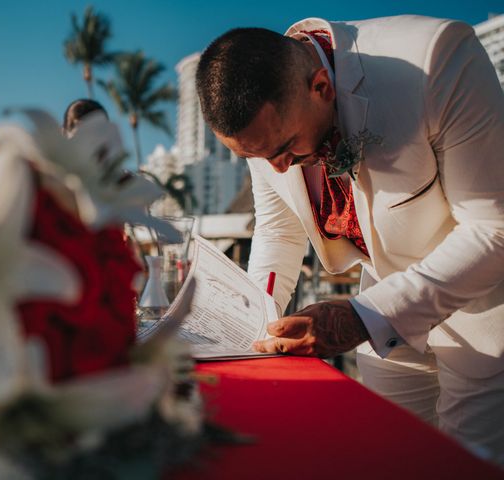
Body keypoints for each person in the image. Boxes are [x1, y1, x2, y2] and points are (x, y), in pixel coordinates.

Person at [195, 15, 504, 461]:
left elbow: (493, 227)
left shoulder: (439, 58)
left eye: (283, 150)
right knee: (392, 457)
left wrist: (361, 318)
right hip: (385, 317)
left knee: (466, 464)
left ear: (321, 87)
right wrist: (251, 324)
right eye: (258, 157)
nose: (276, 167)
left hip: (484, 312)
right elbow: (279, 230)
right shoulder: (269, 124)